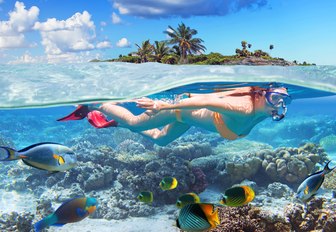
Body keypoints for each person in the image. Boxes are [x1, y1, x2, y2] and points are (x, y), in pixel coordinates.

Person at [57, 86, 292, 146]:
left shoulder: (267, 110)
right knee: (136, 124)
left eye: (283, 100)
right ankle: (96, 104)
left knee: (161, 140)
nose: (279, 105)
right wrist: (162, 106)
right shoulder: (245, 108)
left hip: (187, 117)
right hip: (181, 109)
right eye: (274, 98)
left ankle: (114, 121)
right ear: (262, 95)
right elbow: (205, 100)